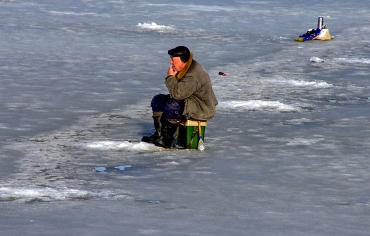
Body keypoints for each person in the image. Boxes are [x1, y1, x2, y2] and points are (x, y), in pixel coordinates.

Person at [142, 46, 218, 148]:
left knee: (173, 105)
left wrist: (170, 77)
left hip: (201, 108)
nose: (171, 63)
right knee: (158, 100)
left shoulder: (193, 74)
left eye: (174, 61)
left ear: (184, 61)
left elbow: (178, 95)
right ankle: (159, 134)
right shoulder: (186, 67)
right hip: (190, 101)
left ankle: (166, 139)